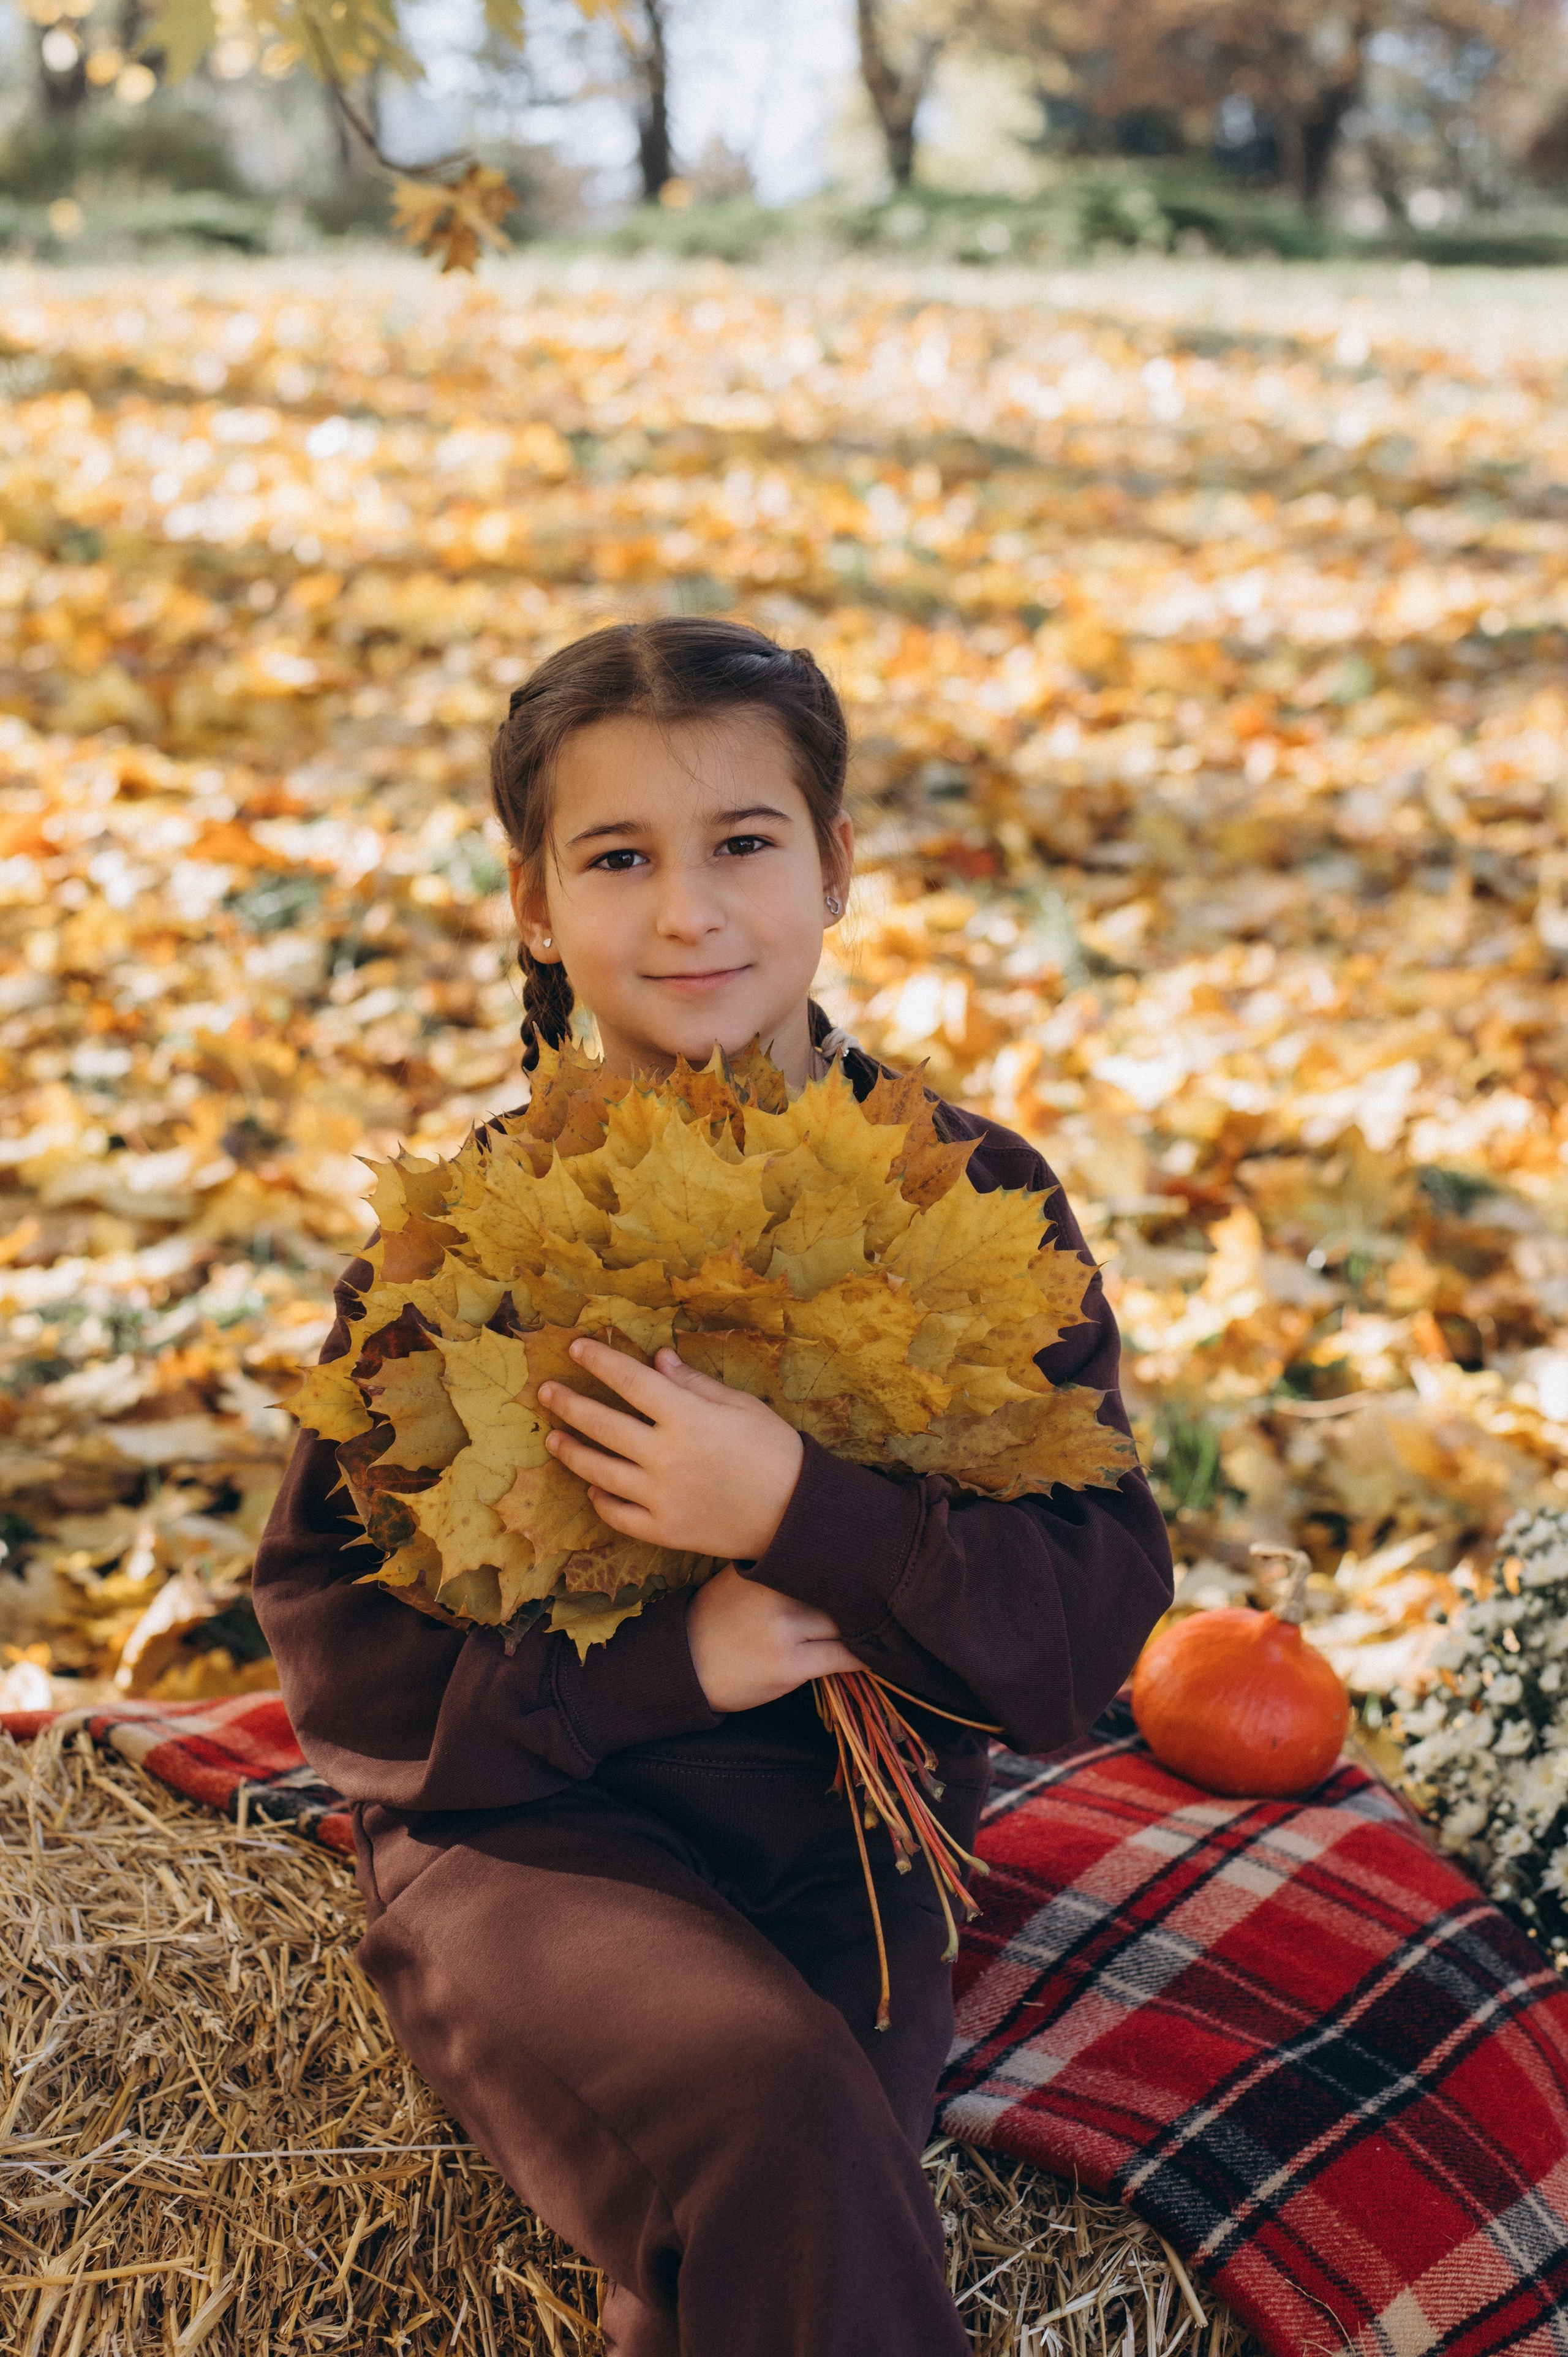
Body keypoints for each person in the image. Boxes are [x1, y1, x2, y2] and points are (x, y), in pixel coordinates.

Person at [253, 617, 1173, 2356]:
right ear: (534, 902)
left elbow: (1083, 1630)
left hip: (853, 1845)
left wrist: (797, 1510)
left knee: (801, 2191)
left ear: (835, 867)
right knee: (775, 2108)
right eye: (618, 858)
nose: (689, 911)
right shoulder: (469, 1237)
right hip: (534, 1838)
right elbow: (340, 1663)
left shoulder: (973, 1197)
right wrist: (680, 1665)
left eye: (743, 843)